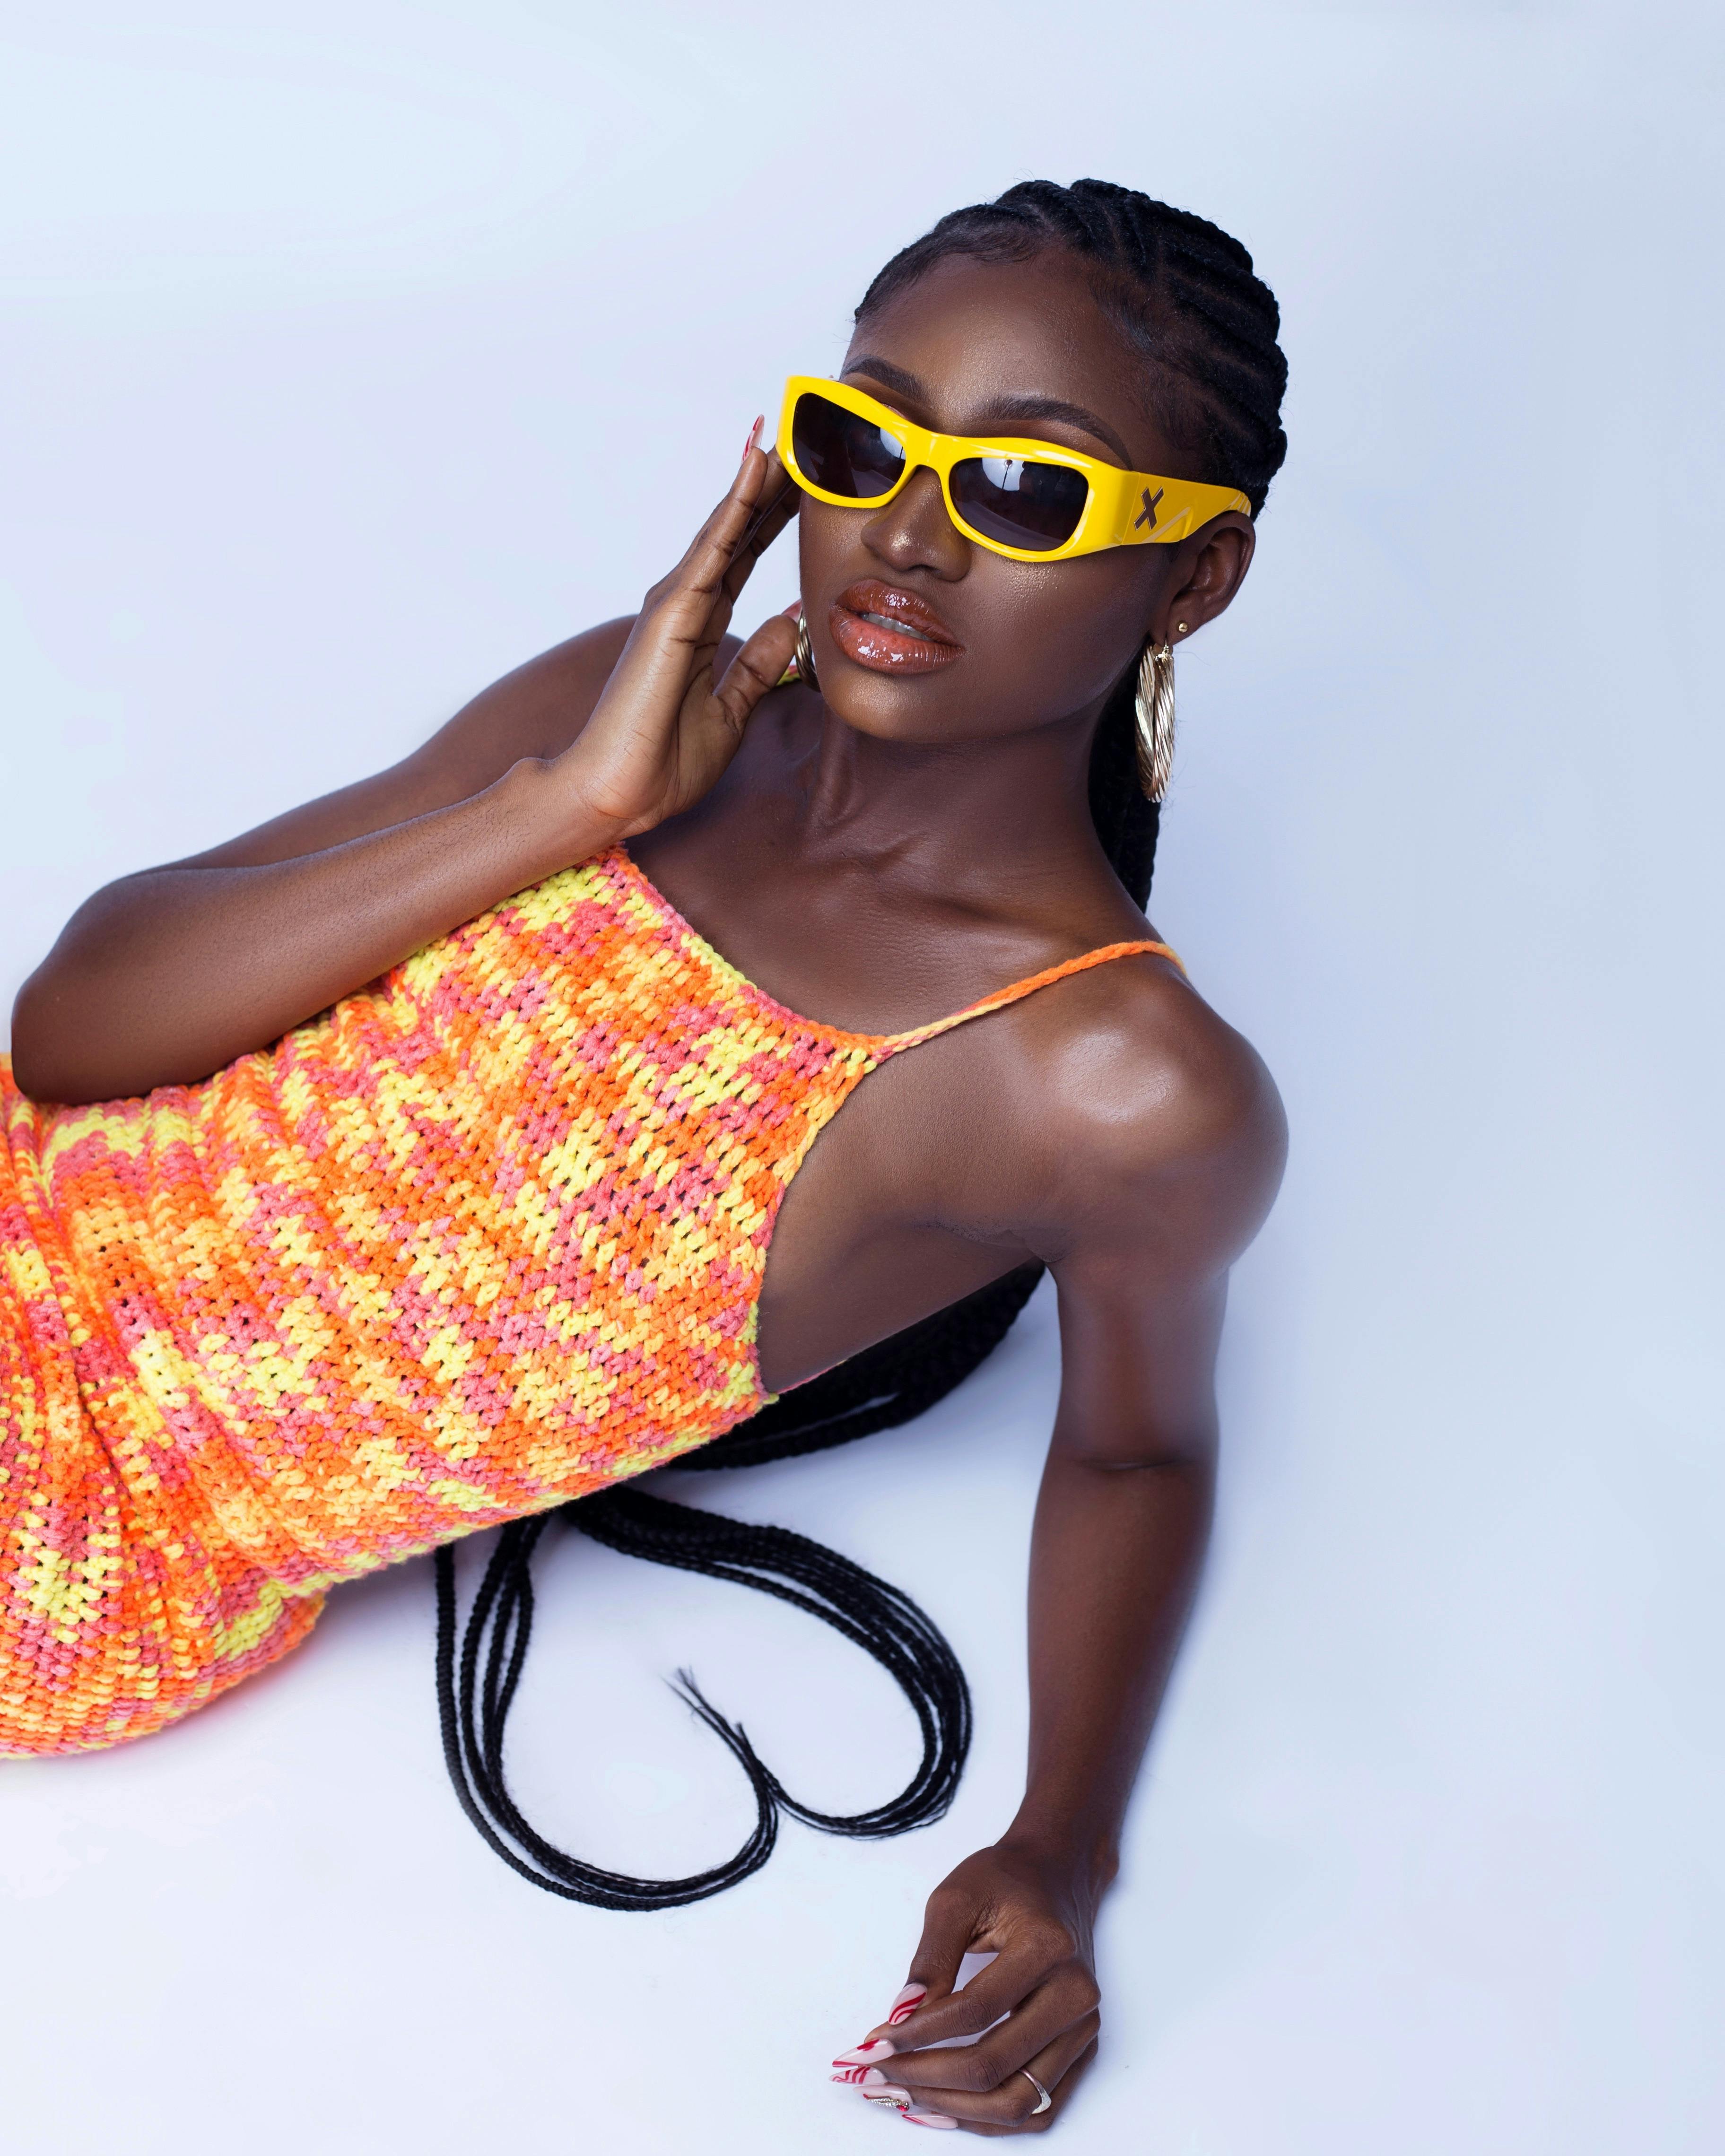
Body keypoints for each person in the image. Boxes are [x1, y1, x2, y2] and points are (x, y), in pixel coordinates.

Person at [2, 179, 1288, 2132]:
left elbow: (1138, 1445)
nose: (909, 534)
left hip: (85, 1523)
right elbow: (75, 1039)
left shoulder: (1111, 1083)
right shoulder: (652, 708)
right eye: (866, 440)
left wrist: (1063, 1851)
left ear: (1190, 581)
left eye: (1029, 493)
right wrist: (574, 802)